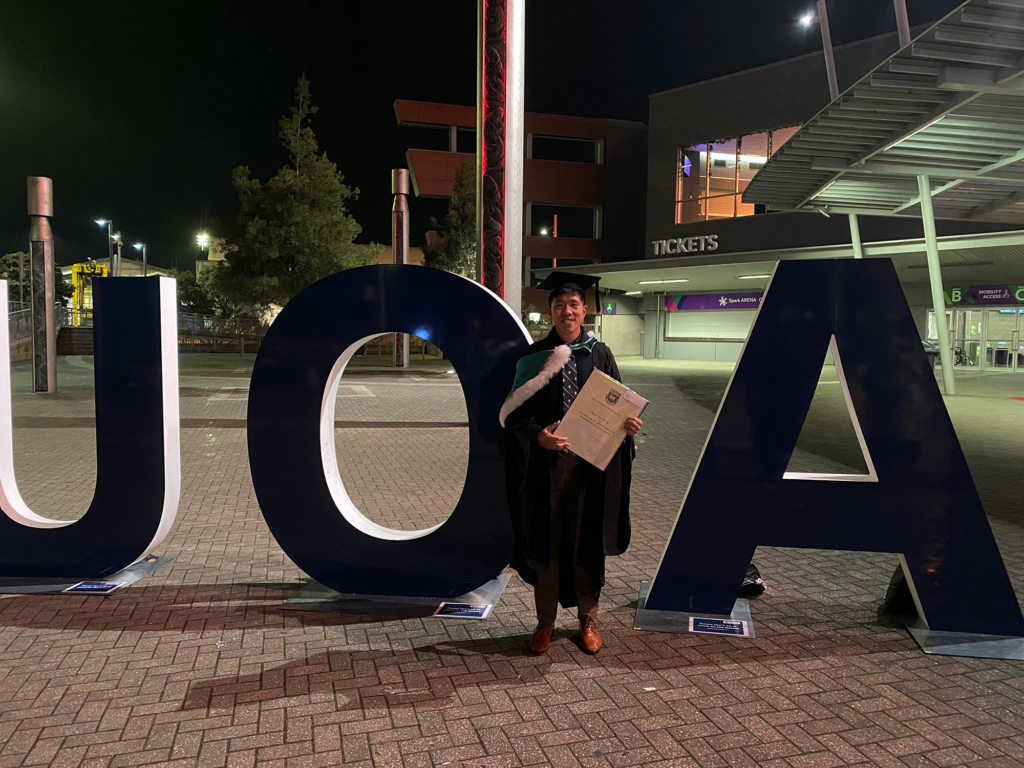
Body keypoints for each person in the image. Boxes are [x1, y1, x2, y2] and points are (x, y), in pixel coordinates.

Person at [500, 273, 640, 655]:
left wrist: (628, 426)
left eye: (574, 305)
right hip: (549, 470)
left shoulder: (601, 354)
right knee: (549, 542)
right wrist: (538, 437)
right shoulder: (532, 359)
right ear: (550, 312)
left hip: (593, 468)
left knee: (587, 541)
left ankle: (588, 619)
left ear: (584, 310)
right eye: (559, 305)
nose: (567, 311)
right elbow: (513, 419)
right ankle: (545, 622)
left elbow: (621, 404)